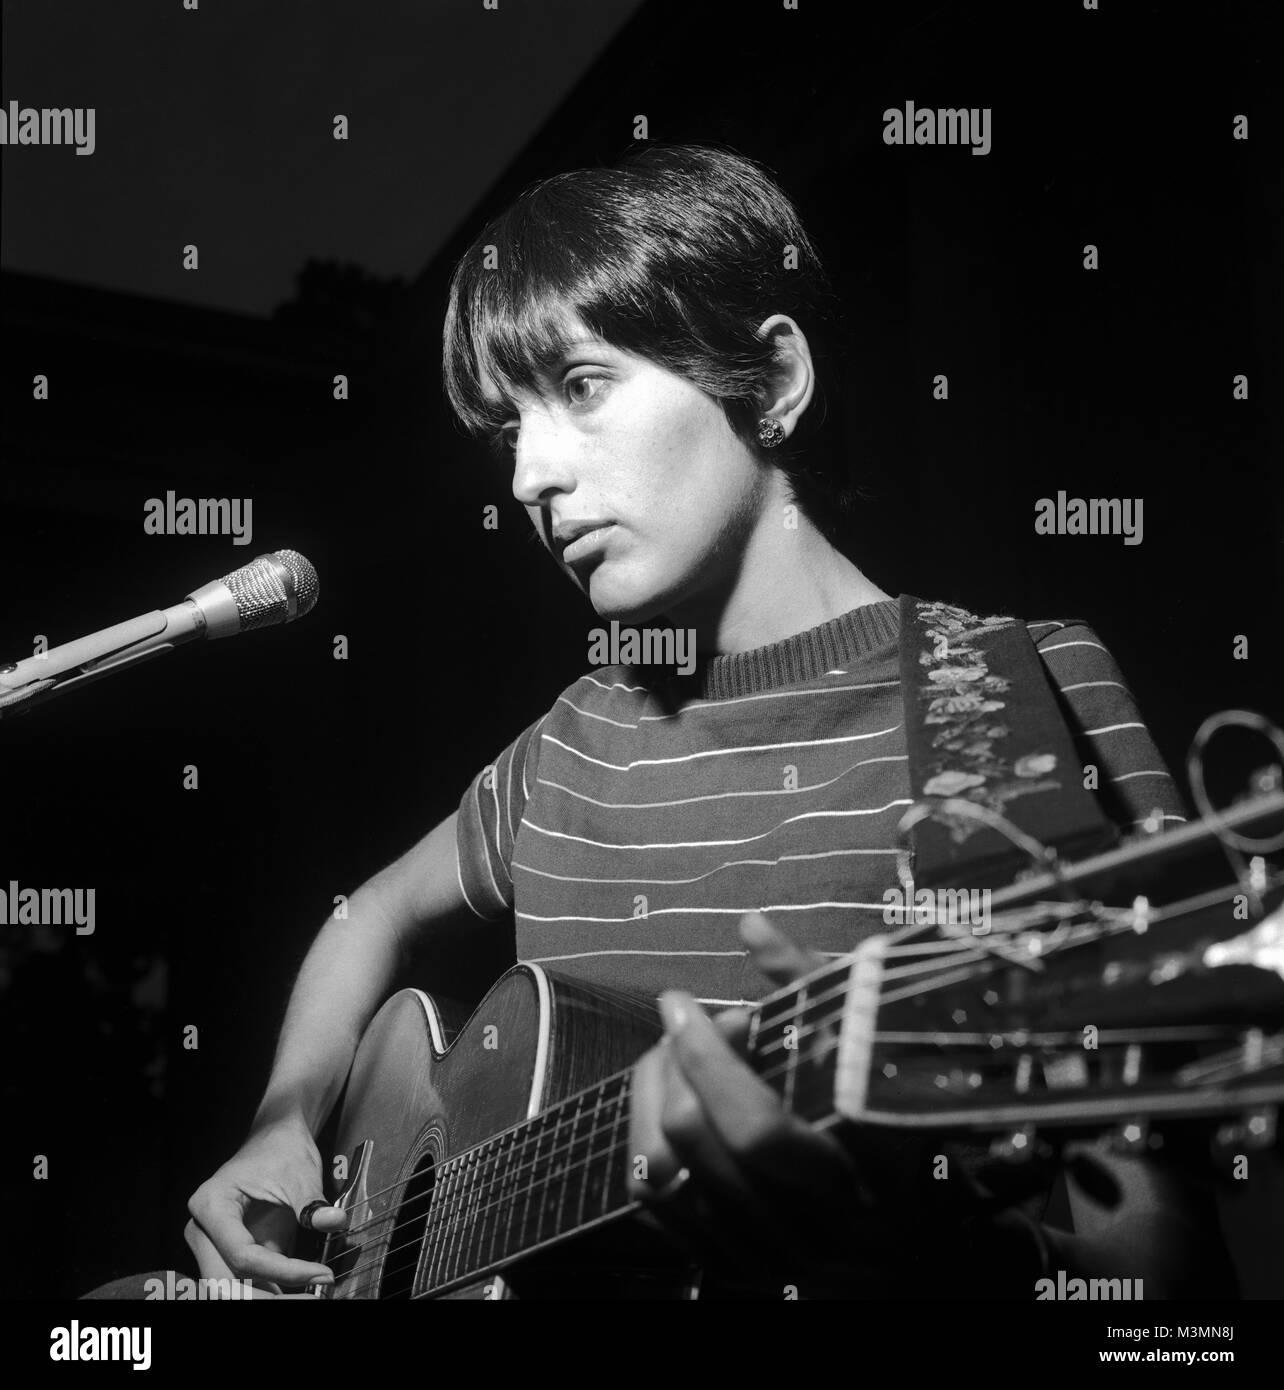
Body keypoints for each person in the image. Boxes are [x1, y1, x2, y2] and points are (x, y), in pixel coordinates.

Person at [128, 144, 1235, 1299]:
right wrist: (286, 1115)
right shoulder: (569, 742)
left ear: (772, 379)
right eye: (509, 429)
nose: (529, 477)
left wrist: (933, 1264)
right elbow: (366, 914)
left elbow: (1174, 1295)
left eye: (581, 387)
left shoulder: (1005, 698)